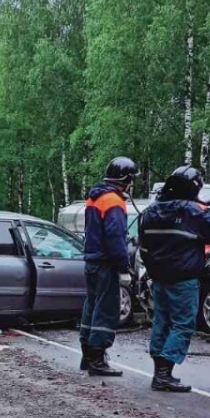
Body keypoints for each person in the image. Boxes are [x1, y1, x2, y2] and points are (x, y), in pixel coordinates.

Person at [138, 165, 210, 392]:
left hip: (159, 278)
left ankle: (160, 371)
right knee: (183, 324)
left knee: (162, 322)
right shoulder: (192, 210)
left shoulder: (150, 211)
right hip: (184, 278)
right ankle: (165, 373)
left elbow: (143, 246)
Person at [79, 156, 136, 377]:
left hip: (92, 261)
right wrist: (124, 267)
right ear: (126, 178)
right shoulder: (114, 201)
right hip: (106, 264)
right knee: (106, 310)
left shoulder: (95, 198)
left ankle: (88, 354)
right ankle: (97, 359)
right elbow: (115, 238)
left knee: (91, 307)